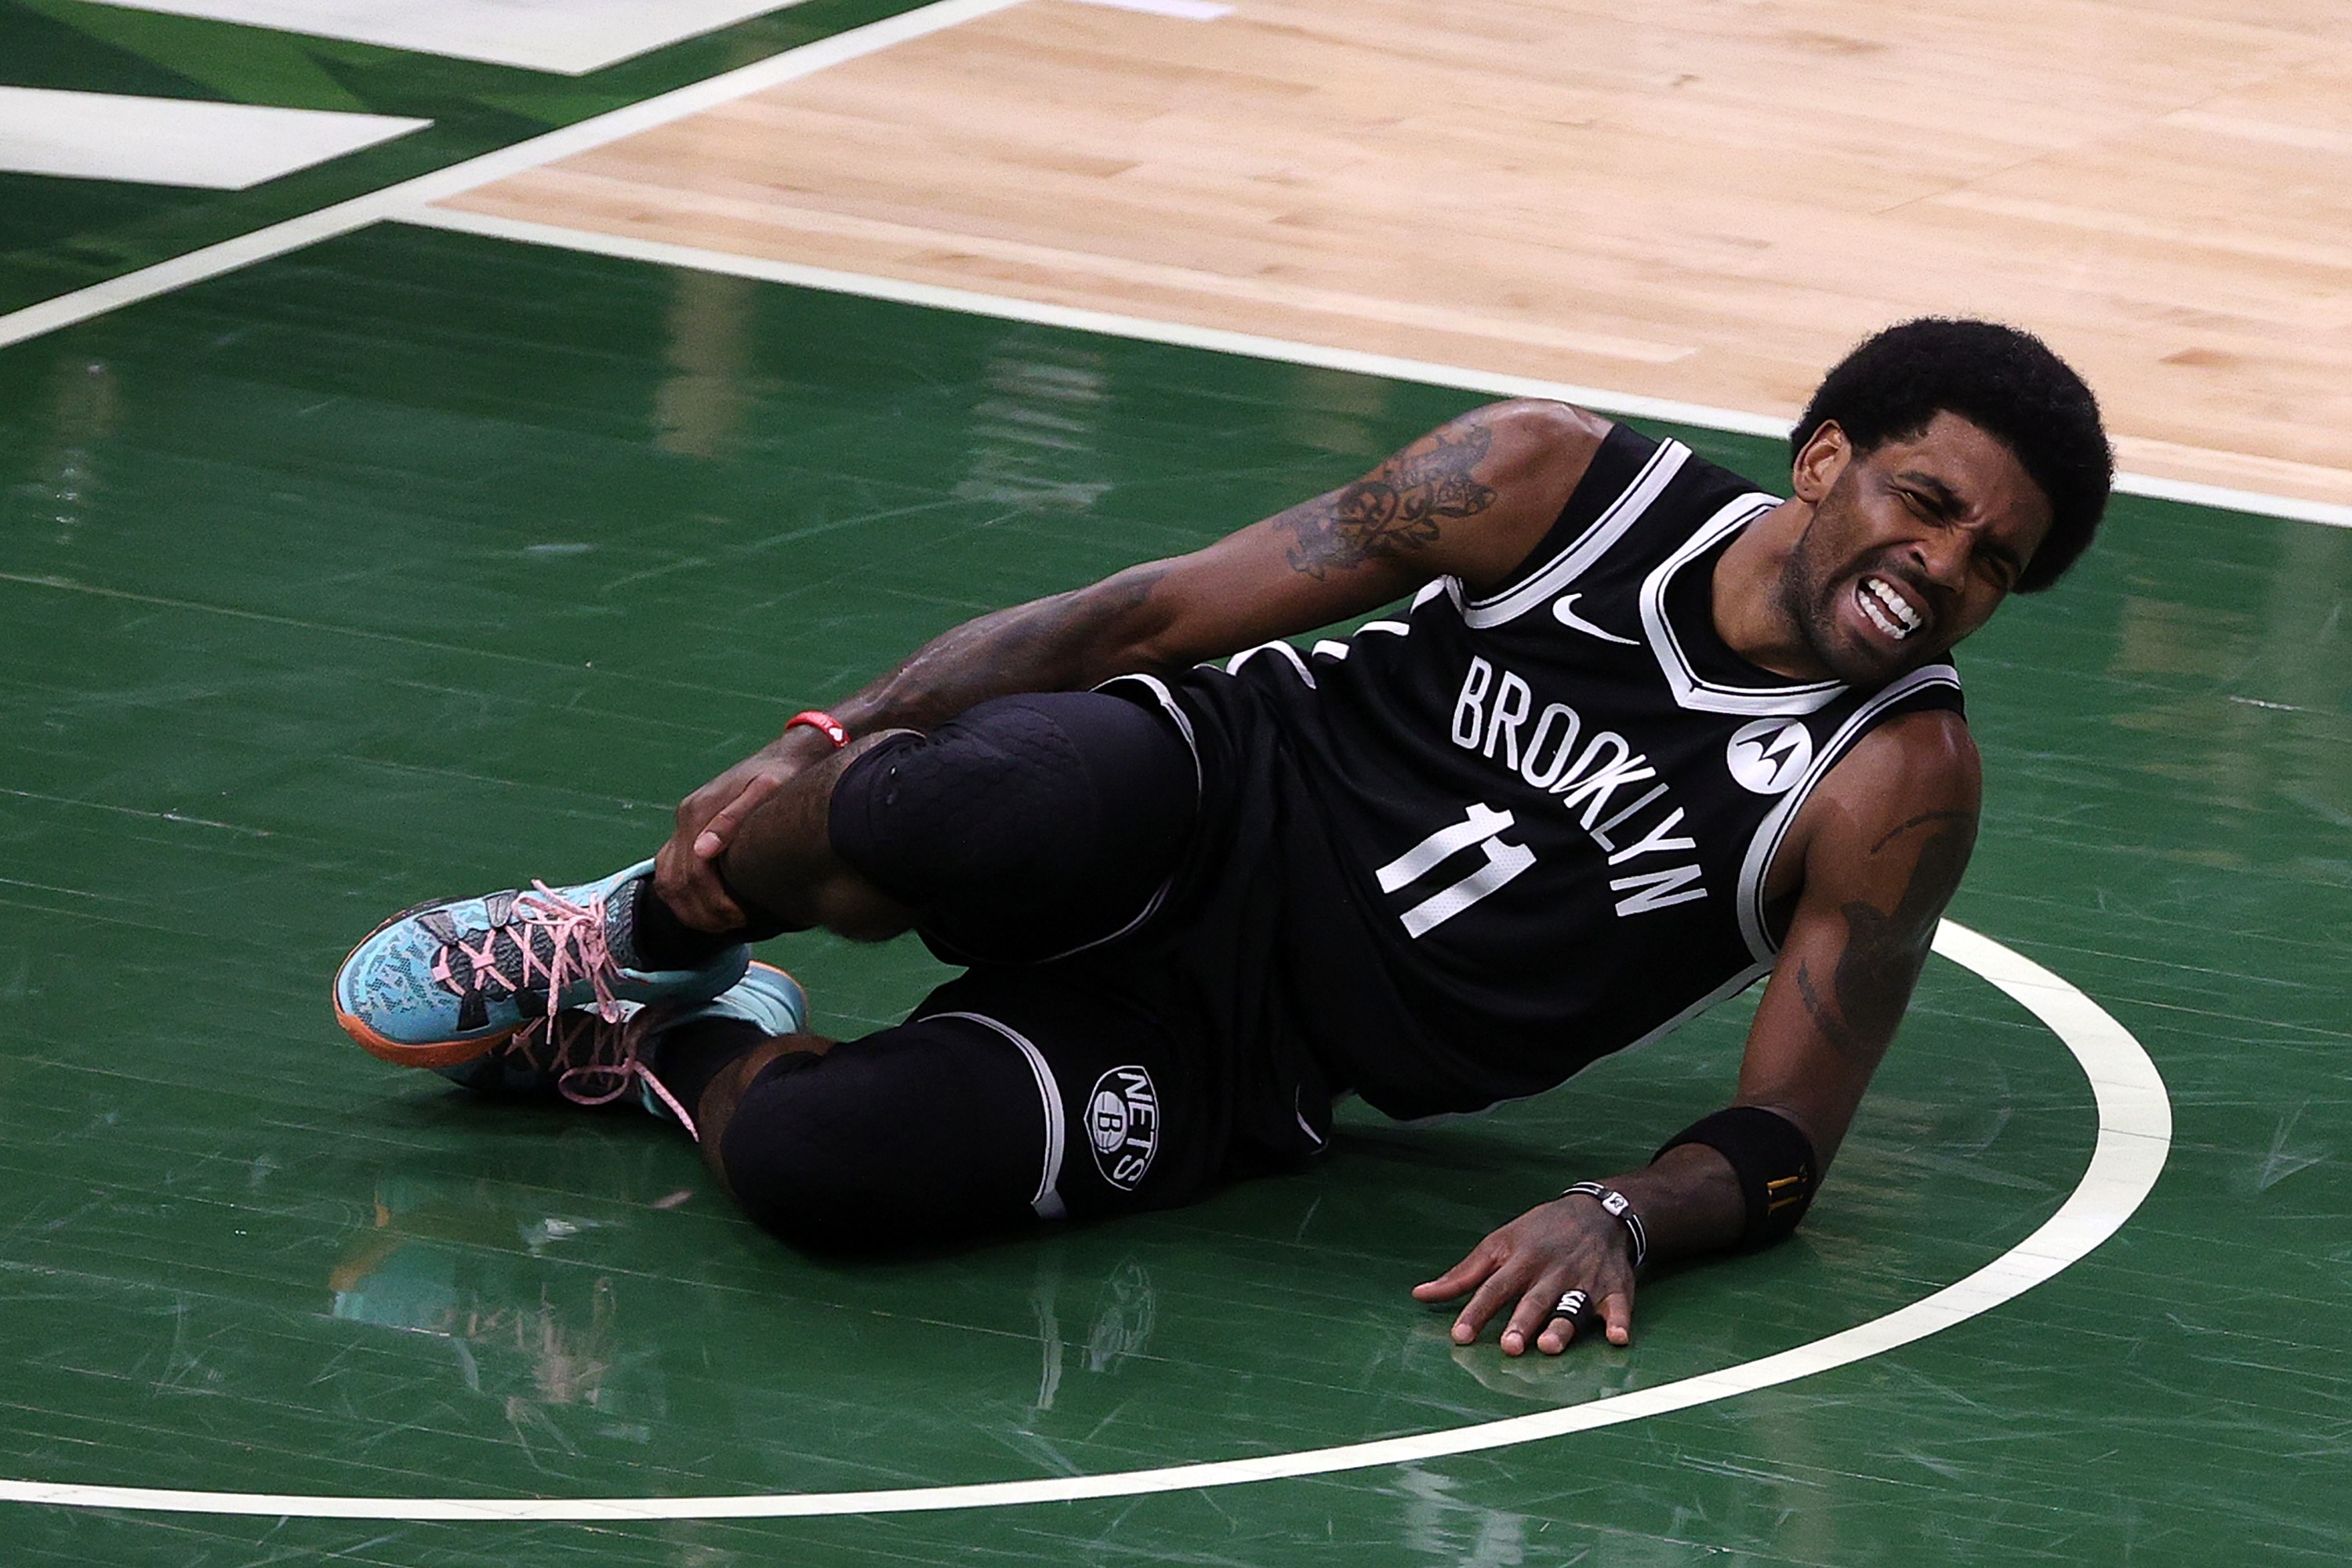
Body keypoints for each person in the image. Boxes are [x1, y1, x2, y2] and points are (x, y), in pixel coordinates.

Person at [333, 318, 2110, 1359]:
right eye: (1925, 503)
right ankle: (627, 926)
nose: (1940, 570)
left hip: (1246, 1052)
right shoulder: (1556, 479)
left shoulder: (1895, 784)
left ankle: (693, 1032)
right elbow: (1143, 613)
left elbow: (1791, 1130)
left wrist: (1621, 1210)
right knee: (940, 800)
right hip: (1208, 786)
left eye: (1992, 564)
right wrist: (824, 735)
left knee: (829, 1174)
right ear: (1822, 460)